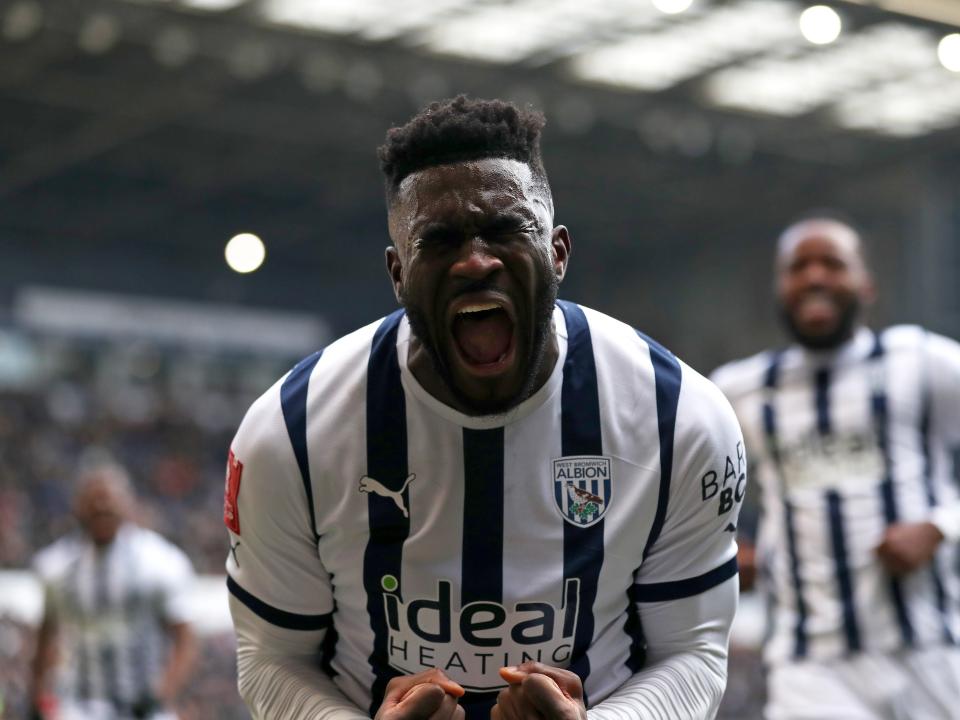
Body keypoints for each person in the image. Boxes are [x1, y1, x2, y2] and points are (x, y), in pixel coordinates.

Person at [225, 95, 745, 720]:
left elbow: (694, 651)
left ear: (557, 252)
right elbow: (270, 658)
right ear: (398, 272)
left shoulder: (679, 418)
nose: (476, 261)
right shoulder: (290, 432)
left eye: (506, 230)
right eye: (439, 240)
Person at [711, 215, 960, 719]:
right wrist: (716, 553)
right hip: (808, 666)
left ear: (865, 282)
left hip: (927, 650)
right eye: (798, 267)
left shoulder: (923, 362)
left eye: (832, 263)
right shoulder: (739, 390)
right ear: (780, 288)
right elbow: (679, 492)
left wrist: (939, 526)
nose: (815, 277)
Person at [29, 461, 197, 720]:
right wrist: (37, 697)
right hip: (78, 706)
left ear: (128, 503)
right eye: (93, 500)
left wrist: (160, 694)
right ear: (78, 504)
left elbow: (185, 638)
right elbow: (45, 638)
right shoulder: (56, 566)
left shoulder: (160, 562)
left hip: (144, 706)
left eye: (108, 499)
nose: (101, 507)